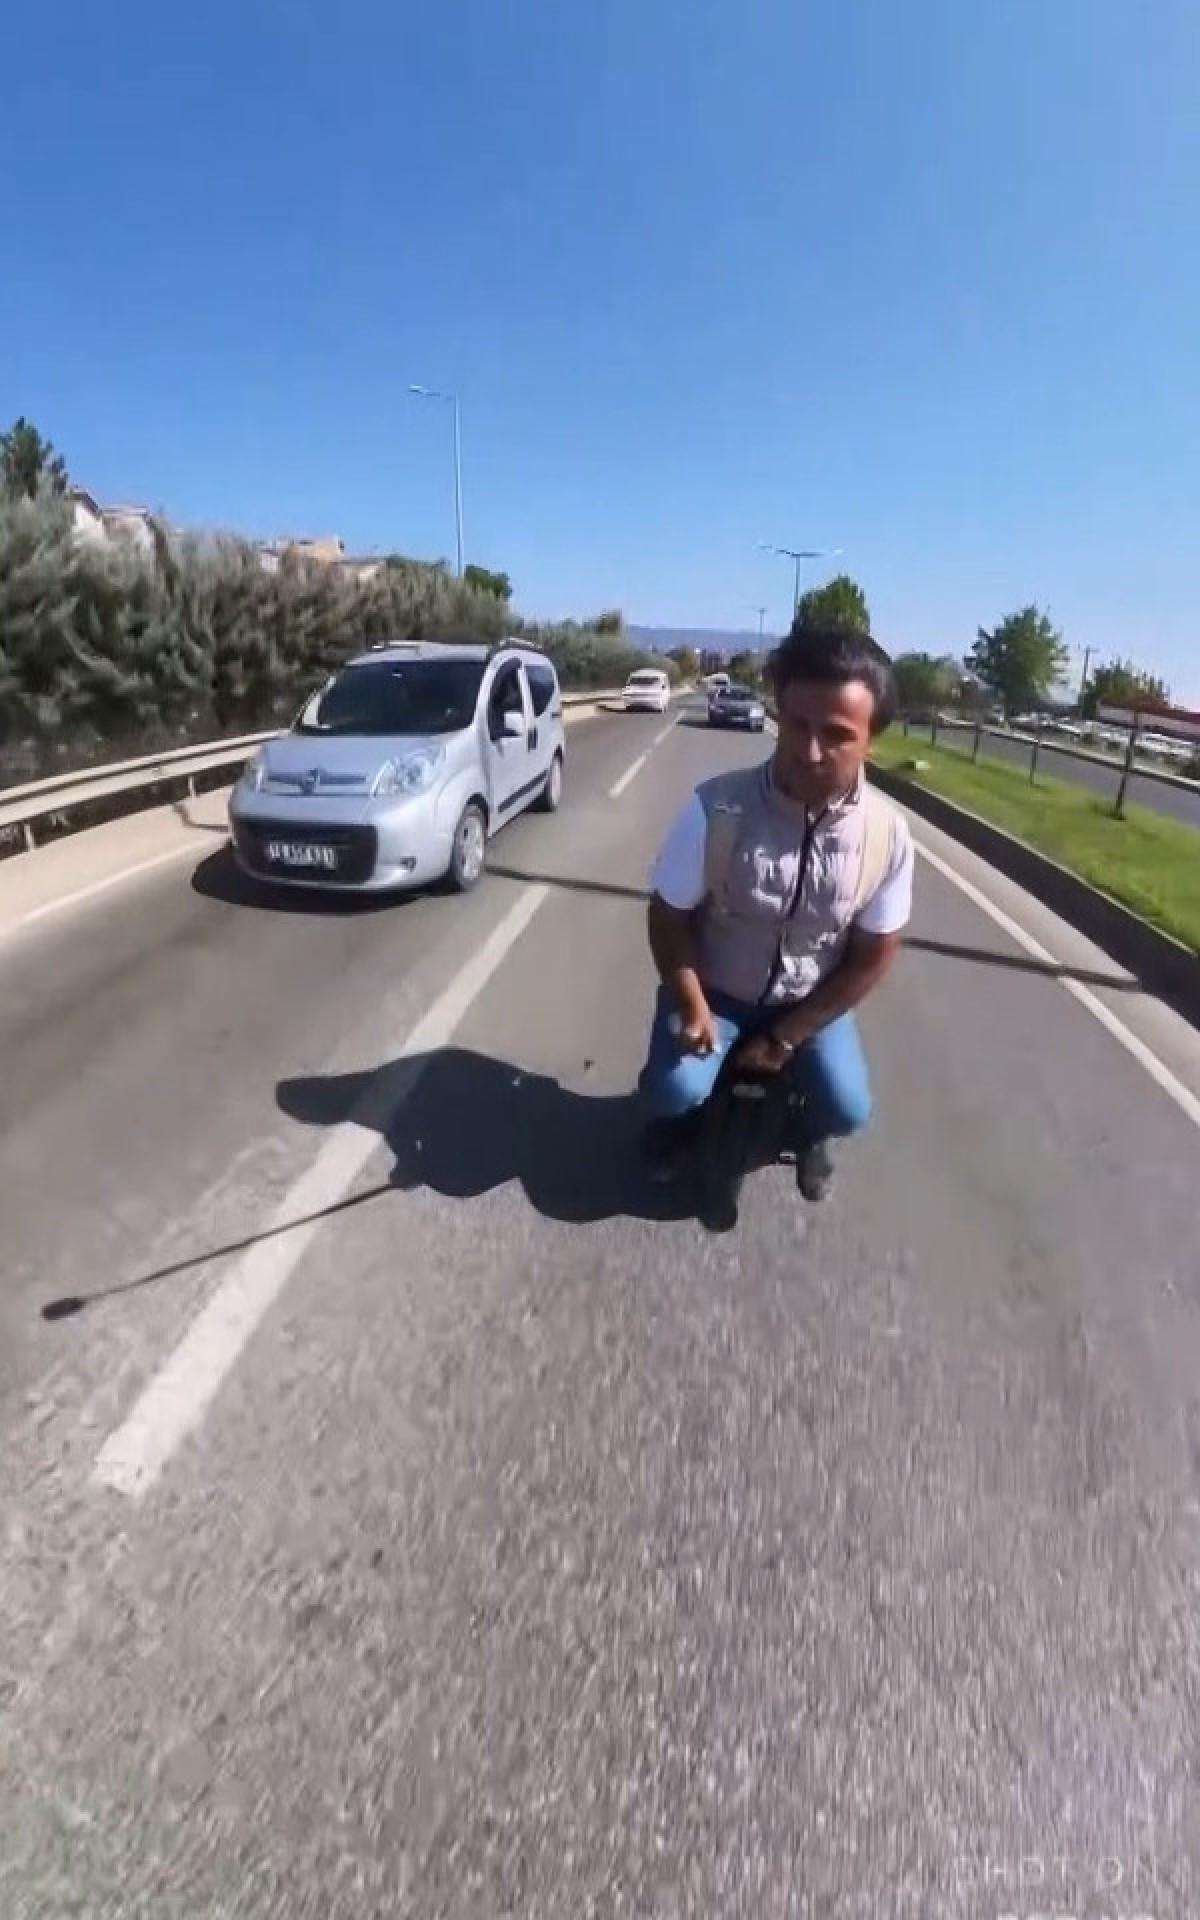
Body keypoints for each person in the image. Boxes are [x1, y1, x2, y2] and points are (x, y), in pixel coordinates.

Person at [640, 623, 913, 1202]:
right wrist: (692, 1004)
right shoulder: (716, 808)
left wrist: (789, 1036)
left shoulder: (888, 836)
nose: (808, 752)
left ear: (871, 740)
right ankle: (679, 1125)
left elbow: (872, 956)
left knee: (848, 1108)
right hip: (715, 993)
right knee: (673, 1090)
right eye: (796, 725)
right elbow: (667, 917)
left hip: (808, 1002)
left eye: (837, 735)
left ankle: (808, 1132)